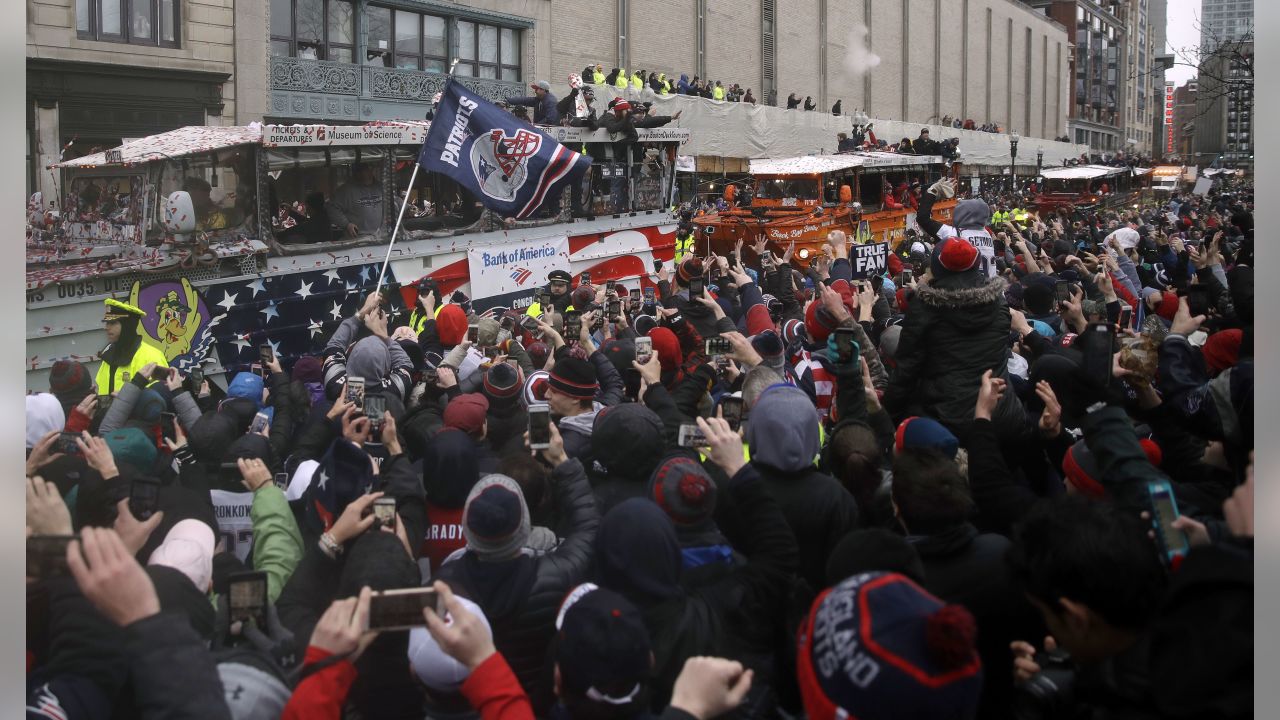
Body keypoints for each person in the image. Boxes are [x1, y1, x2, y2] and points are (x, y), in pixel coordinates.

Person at [96, 298, 168, 396]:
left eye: (113, 323)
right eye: (107, 323)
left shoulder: (151, 356)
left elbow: (160, 398)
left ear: (127, 326)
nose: (107, 327)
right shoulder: (108, 356)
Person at [327, 162, 384, 238]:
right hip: (358, 240)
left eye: (366, 169)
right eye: (359, 170)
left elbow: (396, 204)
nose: (362, 173)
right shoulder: (346, 190)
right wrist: (346, 224)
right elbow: (332, 208)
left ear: (371, 169)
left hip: (382, 237)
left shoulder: (381, 187)